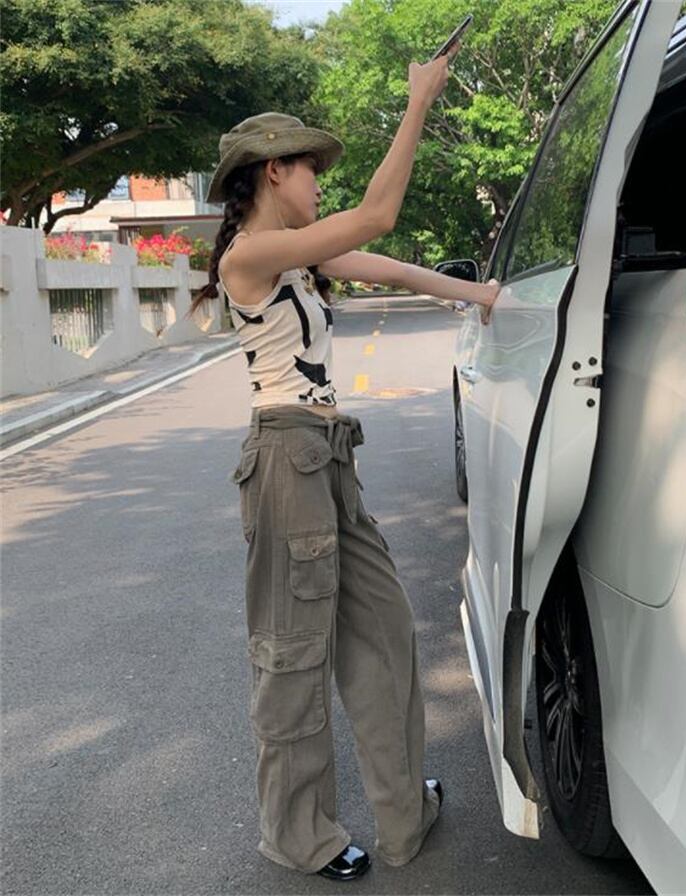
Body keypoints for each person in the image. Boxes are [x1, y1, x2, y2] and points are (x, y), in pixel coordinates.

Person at [189, 41, 499, 882]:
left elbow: (383, 260)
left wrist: (479, 294)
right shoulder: (248, 256)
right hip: (285, 460)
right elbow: (376, 218)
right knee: (294, 653)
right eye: (311, 168)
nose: (321, 181)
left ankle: (403, 812)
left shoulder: (298, 253)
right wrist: (418, 101)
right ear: (273, 171)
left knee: (384, 630)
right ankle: (301, 835)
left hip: (329, 458)